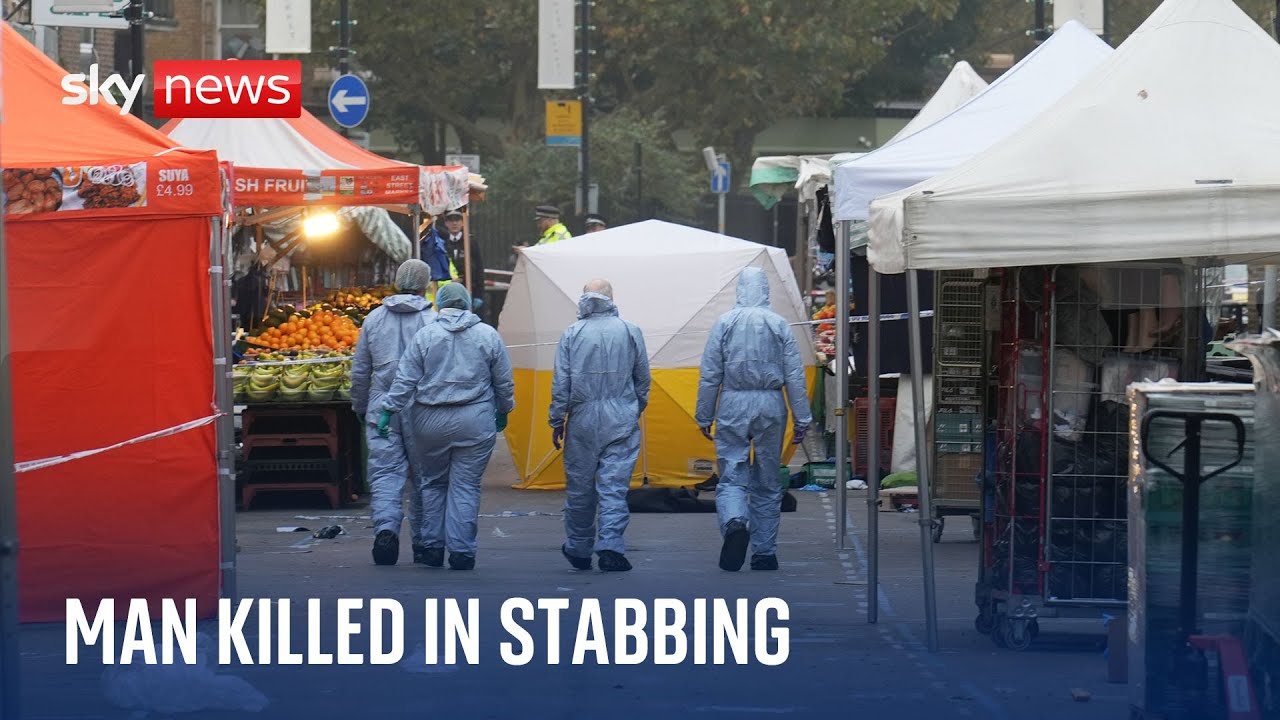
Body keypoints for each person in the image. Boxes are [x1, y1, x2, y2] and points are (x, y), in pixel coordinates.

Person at [379, 282, 514, 571]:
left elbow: (405, 379)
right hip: (475, 419)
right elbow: (503, 380)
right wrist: (504, 409)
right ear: (467, 303)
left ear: (440, 304)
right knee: (465, 486)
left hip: (429, 421)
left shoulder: (425, 336)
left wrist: (388, 410)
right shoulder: (487, 335)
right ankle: (462, 552)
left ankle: (431, 547)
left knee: (432, 483)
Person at [695, 267, 812, 572]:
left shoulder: (724, 323)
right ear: (765, 290)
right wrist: (802, 418)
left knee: (732, 475)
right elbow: (794, 376)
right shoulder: (779, 324)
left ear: (739, 290)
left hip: (733, 402)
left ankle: (735, 522)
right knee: (768, 479)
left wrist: (704, 414)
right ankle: (764, 552)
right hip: (770, 403)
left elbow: (710, 374)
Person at [549, 279, 650, 572]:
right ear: (611, 298)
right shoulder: (630, 331)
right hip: (621, 417)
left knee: (580, 487)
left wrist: (557, 419)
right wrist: (633, 408)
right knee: (613, 487)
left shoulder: (572, 333)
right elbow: (642, 378)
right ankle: (610, 547)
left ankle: (579, 547)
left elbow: (561, 383)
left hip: (582, 417)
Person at [349, 259, 438, 566]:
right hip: (422, 408)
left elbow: (360, 370)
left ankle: (386, 529)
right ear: (425, 284)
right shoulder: (433, 321)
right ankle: (424, 541)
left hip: (381, 406)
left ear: (398, 281)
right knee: (425, 477)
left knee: (386, 473)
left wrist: (360, 405)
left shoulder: (374, 319)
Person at [440, 209, 487, 316]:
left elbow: (479, 268)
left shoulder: (470, 242)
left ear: (463, 222)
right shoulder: (442, 242)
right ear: (446, 223)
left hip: (469, 289)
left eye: (457, 220)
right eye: (451, 220)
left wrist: (479, 295)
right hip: (450, 291)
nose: (454, 223)